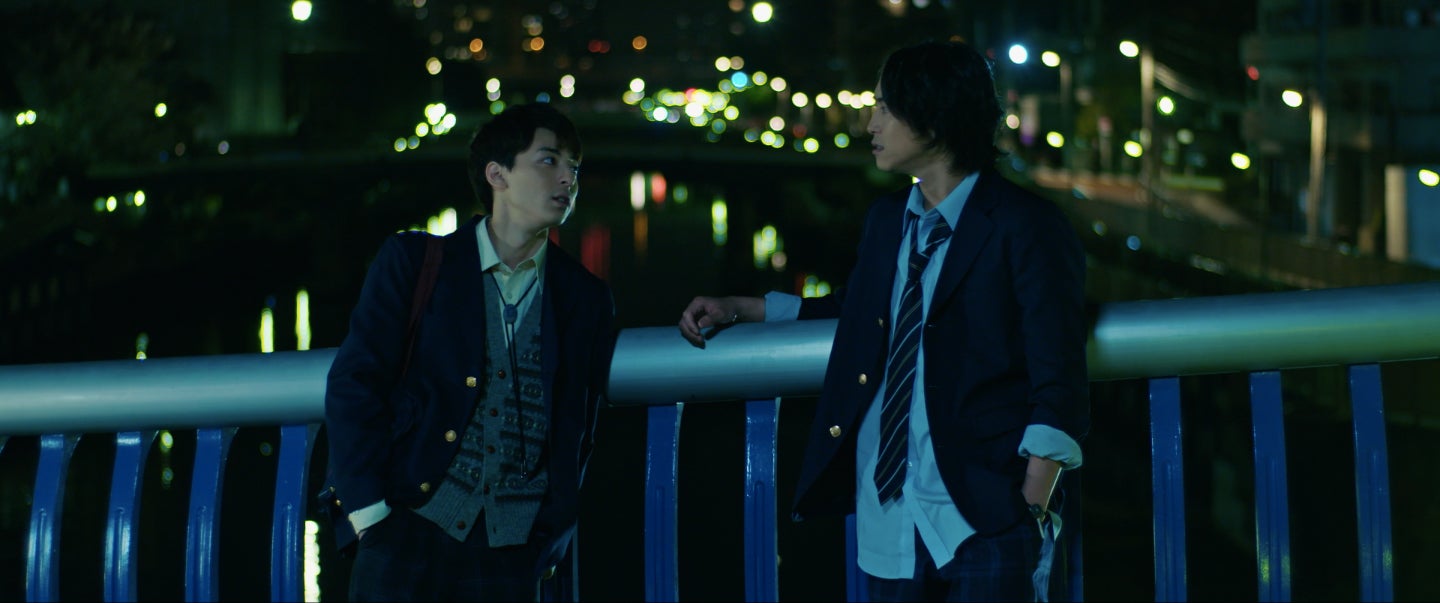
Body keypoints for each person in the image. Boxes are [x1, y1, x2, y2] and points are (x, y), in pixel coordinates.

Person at [679, 39, 1088, 602]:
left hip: (984, 518)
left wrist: (1029, 505)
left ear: (934, 117)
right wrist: (746, 308)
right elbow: (861, 309)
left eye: (885, 108)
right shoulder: (888, 219)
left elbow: (1059, 371)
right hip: (889, 514)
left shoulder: (1027, 225)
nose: (871, 123)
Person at [324, 102, 616, 602]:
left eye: (575, 167)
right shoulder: (416, 262)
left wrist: (550, 534)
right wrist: (370, 516)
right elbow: (356, 384)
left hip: (513, 551)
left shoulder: (584, 297)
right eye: (549, 160)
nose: (568, 178)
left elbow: (578, 425)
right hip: (405, 527)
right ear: (496, 175)